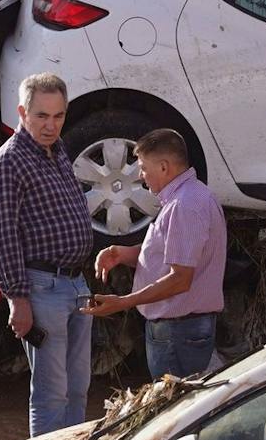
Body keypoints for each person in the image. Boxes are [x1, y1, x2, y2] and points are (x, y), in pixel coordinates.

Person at [0, 72, 96, 436]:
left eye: (59, 116)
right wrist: (17, 299)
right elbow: (3, 233)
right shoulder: (10, 160)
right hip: (41, 286)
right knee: (52, 392)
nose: (51, 125)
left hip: (75, 282)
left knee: (78, 386)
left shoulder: (58, 150)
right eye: (42, 116)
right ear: (22, 112)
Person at [84, 128, 227, 379]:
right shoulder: (190, 197)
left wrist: (124, 302)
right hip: (180, 330)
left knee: (178, 413)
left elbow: (180, 279)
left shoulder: (185, 205)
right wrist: (124, 254)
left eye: (143, 167)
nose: (141, 175)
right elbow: (174, 254)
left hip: (178, 332)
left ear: (163, 167)